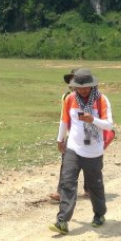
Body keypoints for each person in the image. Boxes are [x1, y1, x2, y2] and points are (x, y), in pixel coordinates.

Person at [50, 68, 114, 234]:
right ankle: (62, 221)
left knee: (94, 186)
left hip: (94, 150)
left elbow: (109, 125)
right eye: (80, 87)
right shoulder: (70, 99)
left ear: (93, 86)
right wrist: (60, 139)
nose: (83, 90)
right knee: (67, 182)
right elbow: (64, 121)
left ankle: (99, 214)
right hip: (73, 148)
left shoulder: (101, 100)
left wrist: (93, 119)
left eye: (87, 87)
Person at [49, 69, 89, 203]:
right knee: (67, 164)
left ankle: (90, 189)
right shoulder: (66, 96)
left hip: (88, 135)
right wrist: (60, 139)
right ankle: (62, 192)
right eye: (72, 80)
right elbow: (63, 118)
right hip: (71, 136)